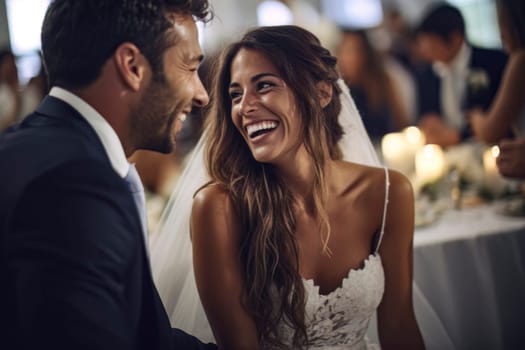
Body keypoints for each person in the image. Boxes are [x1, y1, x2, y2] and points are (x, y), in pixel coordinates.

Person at [151, 25, 425, 349]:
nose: (245, 107)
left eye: (264, 85)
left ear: (322, 93)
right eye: (235, 95)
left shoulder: (388, 193)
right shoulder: (219, 208)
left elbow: (400, 326)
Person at [0, 1, 217, 349]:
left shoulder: (25, 147)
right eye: (189, 68)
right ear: (132, 66)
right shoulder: (74, 184)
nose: (202, 94)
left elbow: (142, 334)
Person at [414, 3, 508, 147]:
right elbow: (426, 112)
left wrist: (458, 137)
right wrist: (430, 121)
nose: (426, 52)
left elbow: (494, 115)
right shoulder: (428, 72)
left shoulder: (492, 63)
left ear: (455, 38)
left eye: (432, 44)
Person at [336, 29, 410, 142]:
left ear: (365, 54)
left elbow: (401, 121)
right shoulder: (338, 89)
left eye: (351, 51)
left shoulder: (383, 81)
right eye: (343, 51)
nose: (345, 58)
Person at [469, 0, 525, 144]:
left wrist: (474, 117)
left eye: (501, 22)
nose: (501, 36)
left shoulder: (520, 59)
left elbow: (490, 132)